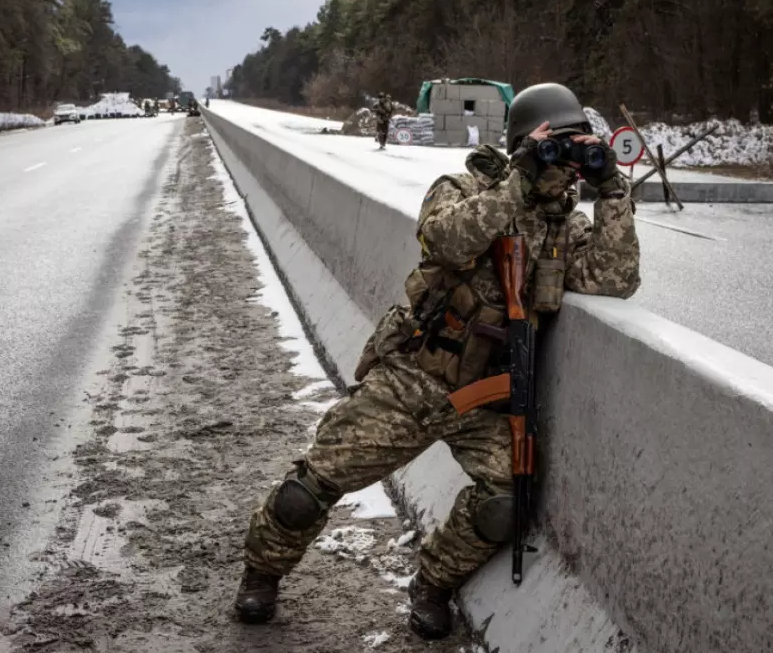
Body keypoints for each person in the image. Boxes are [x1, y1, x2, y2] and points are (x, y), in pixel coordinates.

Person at [233, 82, 641, 640]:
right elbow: (446, 241)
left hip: (486, 396)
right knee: (310, 488)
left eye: (576, 147)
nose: (566, 160)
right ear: (524, 143)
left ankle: (432, 584)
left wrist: (613, 187)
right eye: (557, 145)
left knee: (504, 502)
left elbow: (616, 278)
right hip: (415, 376)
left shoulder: (564, 227)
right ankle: (262, 573)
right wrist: (519, 179)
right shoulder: (465, 186)